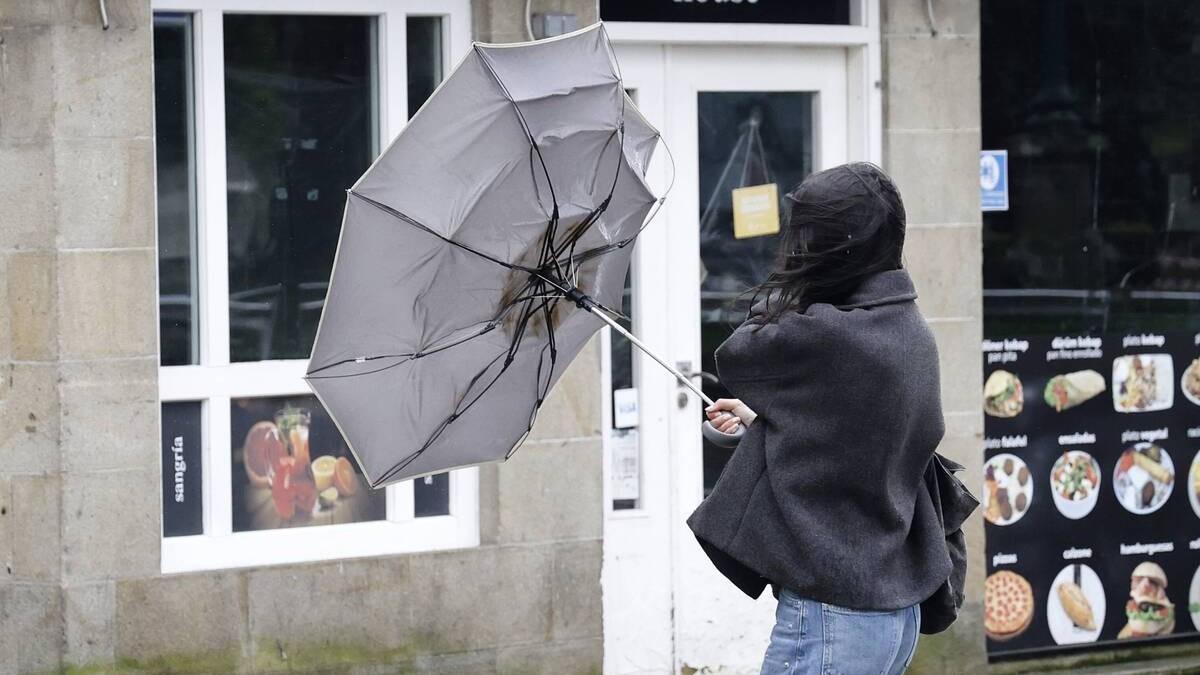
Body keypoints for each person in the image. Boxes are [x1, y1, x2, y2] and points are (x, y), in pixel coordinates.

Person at [688, 162, 953, 674]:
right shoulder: (909, 329)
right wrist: (765, 416)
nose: (794, 250)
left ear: (831, 246)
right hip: (892, 612)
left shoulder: (831, 336)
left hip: (835, 614)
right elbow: (856, 432)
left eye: (804, 237)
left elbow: (741, 352)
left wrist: (804, 287)